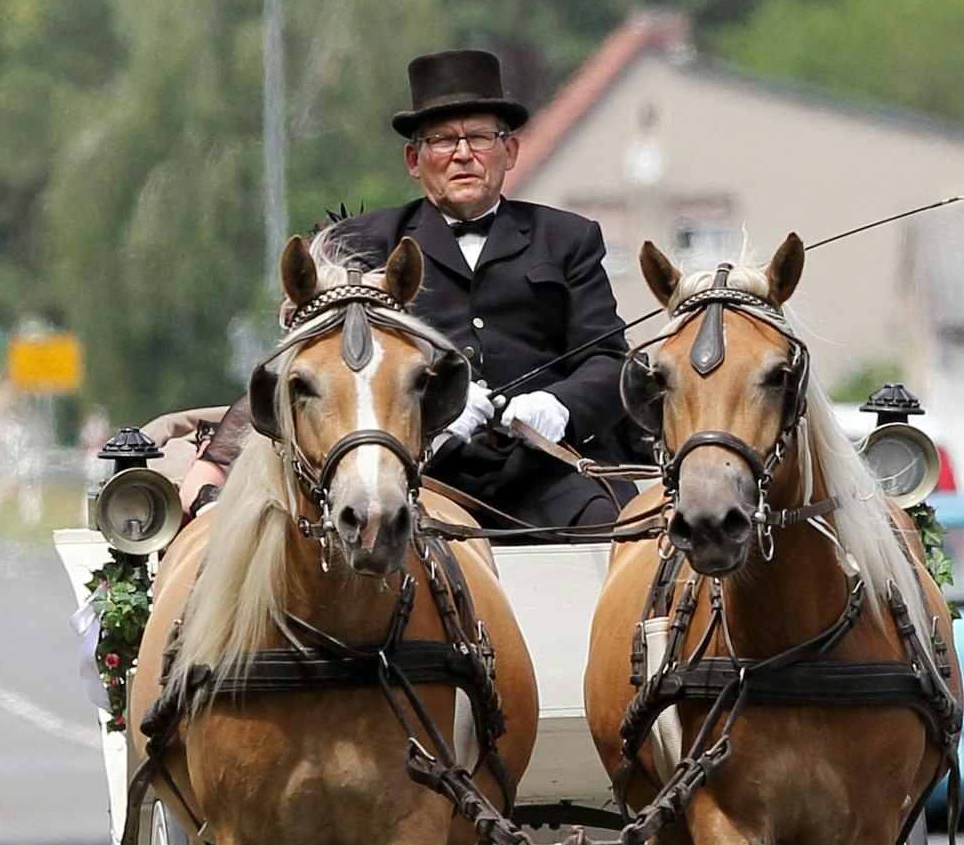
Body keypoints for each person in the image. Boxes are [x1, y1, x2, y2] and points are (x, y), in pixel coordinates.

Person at [179, 48, 637, 527]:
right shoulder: (360, 246)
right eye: (442, 140)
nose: (463, 154)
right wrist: (429, 415)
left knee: (609, 531)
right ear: (414, 160)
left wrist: (559, 406)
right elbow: (308, 361)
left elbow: (608, 360)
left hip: (550, 473)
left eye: (480, 137)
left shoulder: (569, 239)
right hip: (419, 475)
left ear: (511, 152)